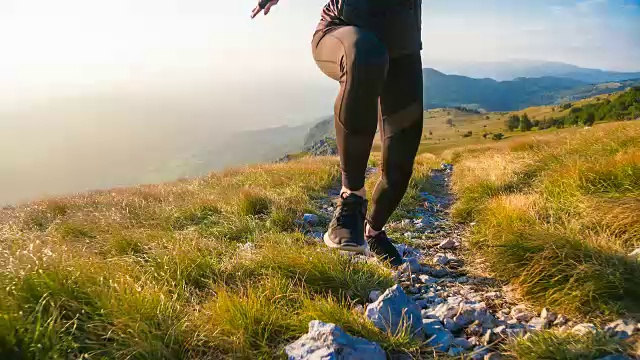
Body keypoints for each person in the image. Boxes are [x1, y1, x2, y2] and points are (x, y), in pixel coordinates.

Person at [252, 0, 424, 267]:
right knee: (366, 53)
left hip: (403, 48)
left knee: (400, 162)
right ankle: (351, 198)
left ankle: (373, 232)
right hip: (342, 32)